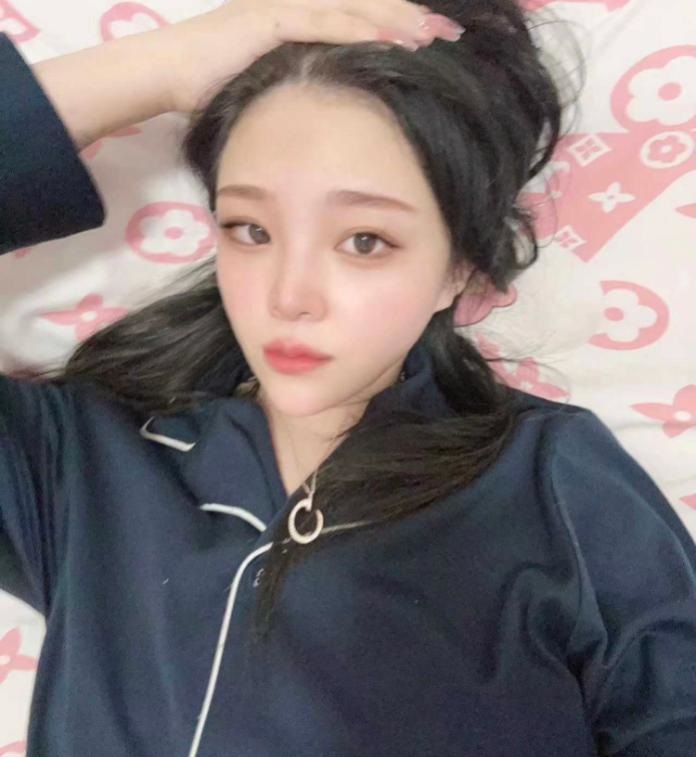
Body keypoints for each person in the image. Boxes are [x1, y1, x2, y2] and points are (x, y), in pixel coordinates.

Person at [1, 1, 695, 756]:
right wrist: (160, 65)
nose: (289, 296)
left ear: (460, 268)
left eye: (365, 240)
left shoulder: (549, 480)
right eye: (250, 230)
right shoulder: (80, 465)